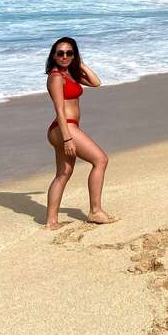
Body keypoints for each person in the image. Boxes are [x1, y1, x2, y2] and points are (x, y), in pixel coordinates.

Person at [44, 36, 115, 230]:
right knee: (101, 160)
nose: (64, 56)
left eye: (69, 53)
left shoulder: (71, 75)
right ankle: (95, 211)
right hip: (64, 128)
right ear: (54, 55)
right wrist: (67, 139)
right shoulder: (56, 77)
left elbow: (96, 82)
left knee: (63, 173)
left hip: (67, 128)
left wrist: (80, 63)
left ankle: (51, 222)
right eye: (60, 53)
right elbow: (59, 110)